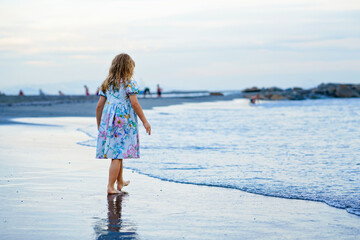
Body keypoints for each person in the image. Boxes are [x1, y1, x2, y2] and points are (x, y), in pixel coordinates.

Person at [96, 53, 151, 195]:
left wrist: (100, 126)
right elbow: (135, 103)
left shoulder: (106, 84)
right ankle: (110, 186)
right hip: (122, 122)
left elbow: (99, 106)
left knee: (119, 152)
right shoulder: (129, 83)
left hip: (109, 122)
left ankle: (120, 182)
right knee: (117, 155)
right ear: (128, 68)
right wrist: (145, 121)